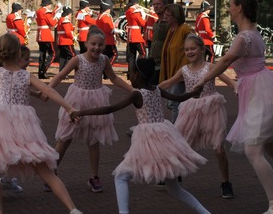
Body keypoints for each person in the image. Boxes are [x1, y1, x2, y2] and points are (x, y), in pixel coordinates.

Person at [193, 0, 273, 214]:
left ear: (240, 8)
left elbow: (225, 60)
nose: (228, 9)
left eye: (231, 5)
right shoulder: (252, 33)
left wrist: (204, 79)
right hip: (263, 89)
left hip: (259, 93)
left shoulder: (243, 37)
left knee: (253, 149)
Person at [70, 58, 211, 214]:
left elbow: (110, 108)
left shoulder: (137, 94)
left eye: (130, 73)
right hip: (166, 137)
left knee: (121, 177)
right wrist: (194, 93)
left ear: (137, 75)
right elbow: (179, 98)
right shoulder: (156, 90)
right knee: (174, 188)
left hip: (148, 139)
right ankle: (205, 212)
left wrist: (82, 112)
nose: (129, 76)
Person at [0, 33, 83, 214]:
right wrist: (69, 108)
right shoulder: (25, 76)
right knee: (44, 169)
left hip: (1, 125)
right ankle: (73, 209)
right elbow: (47, 90)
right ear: (18, 53)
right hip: (25, 125)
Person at [48, 26, 134, 193]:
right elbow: (60, 75)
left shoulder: (104, 60)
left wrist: (132, 90)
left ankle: (94, 176)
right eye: (93, 44)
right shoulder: (77, 60)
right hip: (76, 101)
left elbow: (114, 78)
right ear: (86, 43)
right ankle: (51, 173)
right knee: (65, 139)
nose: (97, 47)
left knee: (94, 141)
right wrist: (48, 90)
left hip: (96, 101)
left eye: (100, 45)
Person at [159, 34, 237, 199]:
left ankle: (226, 183)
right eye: (186, 49)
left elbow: (228, 80)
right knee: (179, 142)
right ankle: (174, 173)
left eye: (193, 48)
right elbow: (168, 83)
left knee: (218, 148)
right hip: (190, 109)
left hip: (211, 108)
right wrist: (149, 90)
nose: (189, 52)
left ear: (202, 49)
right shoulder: (184, 70)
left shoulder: (210, 67)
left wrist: (235, 87)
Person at [160, 3, 193, 122]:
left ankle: (177, 129)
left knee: (174, 103)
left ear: (175, 17)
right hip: (172, 71)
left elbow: (194, 46)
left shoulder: (185, 30)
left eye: (168, 16)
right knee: (172, 103)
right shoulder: (171, 30)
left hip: (180, 72)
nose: (165, 18)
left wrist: (185, 67)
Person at [36, 0, 60, 79]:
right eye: (50, 4)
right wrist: (57, 17)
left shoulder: (39, 11)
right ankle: (44, 70)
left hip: (40, 34)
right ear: (47, 4)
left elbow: (46, 19)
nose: (50, 6)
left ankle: (40, 72)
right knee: (52, 53)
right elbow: (52, 23)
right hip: (46, 35)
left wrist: (54, 12)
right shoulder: (46, 12)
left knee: (42, 55)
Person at [148, 0, 169, 85]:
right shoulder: (156, 23)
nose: (155, 6)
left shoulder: (168, 23)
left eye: (158, 4)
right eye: (154, 4)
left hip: (164, 64)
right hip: (154, 63)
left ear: (165, 5)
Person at [125, 0, 146, 77]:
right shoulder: (135, 12)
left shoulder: (128, 11)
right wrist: (143, 16)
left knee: (131, 56)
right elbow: (143, 23)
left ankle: (130, 73)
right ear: (135, 3)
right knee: (143, 53)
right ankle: (139, 69)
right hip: (136, 35)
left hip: (130, 35)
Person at [96, 0, 120, 66]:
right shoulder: (106, 16)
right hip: (108, 40)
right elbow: (108, 28)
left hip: (102, 39)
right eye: (109, 9)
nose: (110, 10)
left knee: (105, 56)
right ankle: (107, 70)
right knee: (114, 55)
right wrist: (115, 30)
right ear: (106, 9)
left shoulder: (100, 16)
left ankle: (104, 71)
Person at [57, 6, 76, 71]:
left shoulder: (61, 19)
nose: (71, 15)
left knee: (63, 57)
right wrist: (73, 37)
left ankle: (62, 72)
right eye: (70, 14)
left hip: (61, 41)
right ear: (68, 13)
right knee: (73, 56)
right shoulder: (65, 20)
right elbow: (68, 32)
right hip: (66, 41)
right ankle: (65, 70)